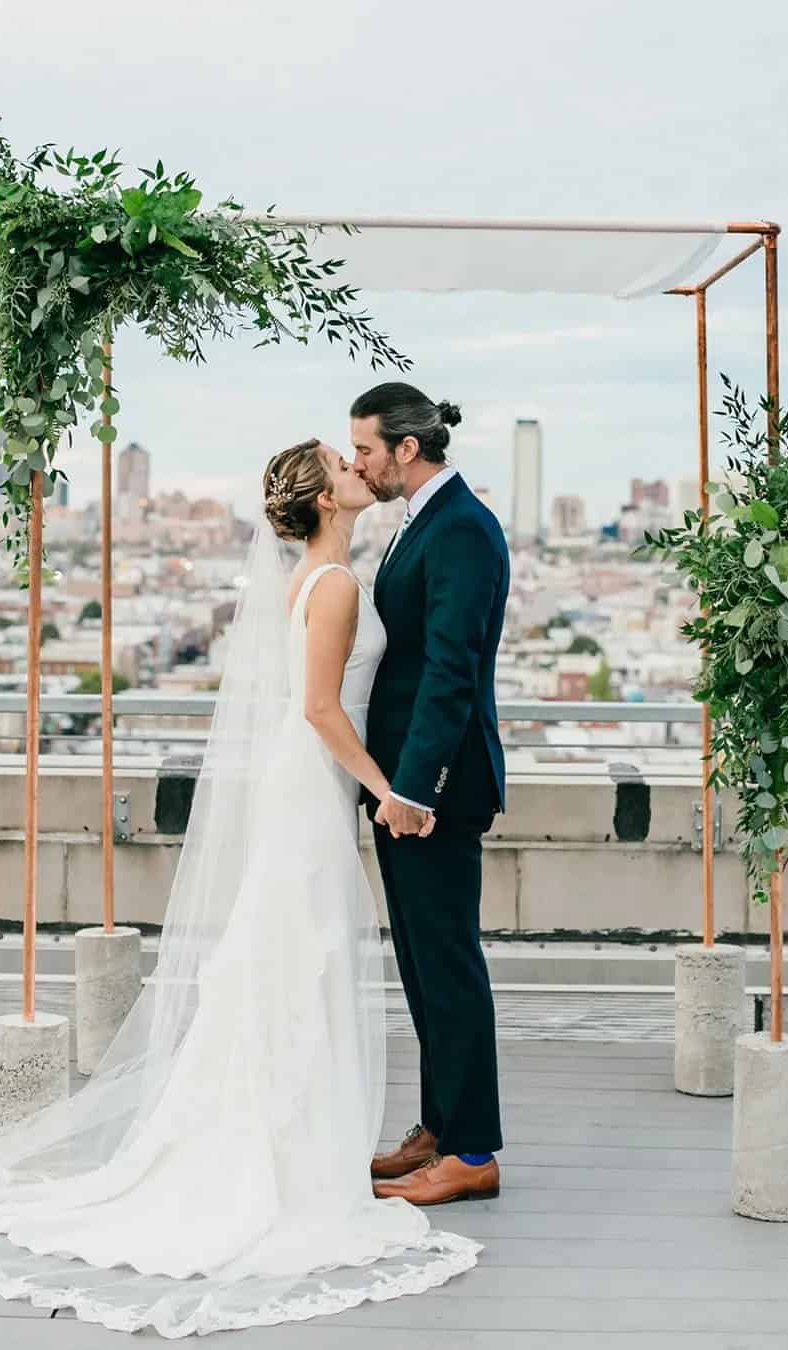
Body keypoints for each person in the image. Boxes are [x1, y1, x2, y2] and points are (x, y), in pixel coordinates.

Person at [0, 438, 479, 1338]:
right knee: (299, 963)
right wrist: (389, 791)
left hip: (302, 787)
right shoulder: (336, 584)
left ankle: (285, 1149)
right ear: (322, 500)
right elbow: (318, 707)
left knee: (285, 964)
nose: (359, 470)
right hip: (313, 789)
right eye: (343, 468)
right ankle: (287, 1167)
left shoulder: (325, 574)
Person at [351, 382, 509, 1206]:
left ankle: (473, 1150)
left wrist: (414, 788)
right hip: (402, 787)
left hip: (433, 789)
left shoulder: (462, 531)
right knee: (420, 962)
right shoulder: (422, 521)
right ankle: (440, 1125)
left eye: (367, 450)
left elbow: (450, 671)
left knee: (448, 962)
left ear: (407, 449)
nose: (359, 464)